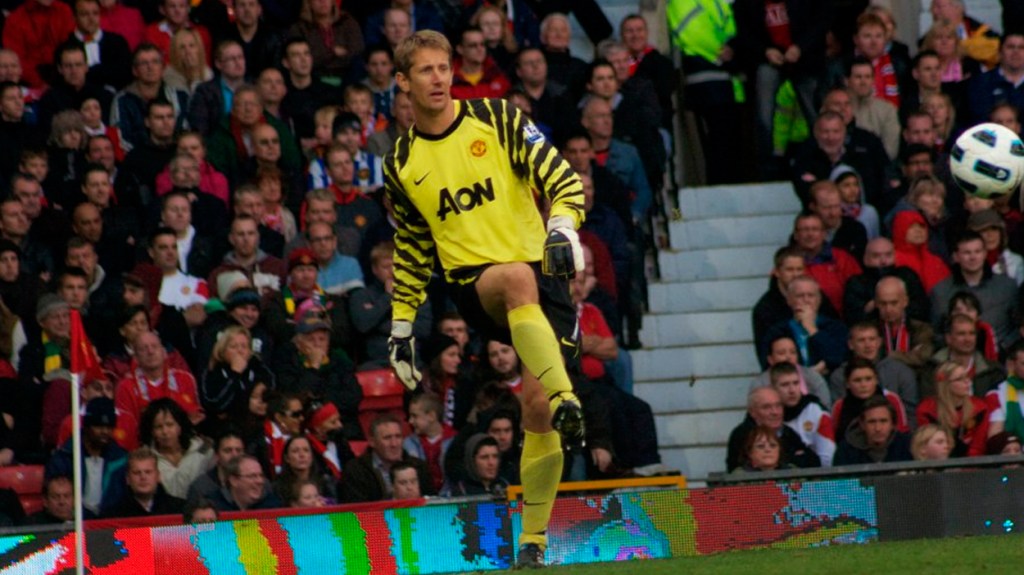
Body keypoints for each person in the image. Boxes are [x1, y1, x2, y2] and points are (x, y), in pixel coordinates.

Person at [383, 30, 584, 568]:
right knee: (515, 279)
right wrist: (401, 325)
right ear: (402, 82)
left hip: (543, 275)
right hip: (476, 282)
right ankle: (567, 396)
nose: (438, 79)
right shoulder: (400, 162)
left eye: (443, 67)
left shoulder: (497, 118)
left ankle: (533, 542)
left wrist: (563, 227)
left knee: (536, 410)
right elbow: (412, 247)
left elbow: (562, 177)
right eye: (424, 70)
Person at [45, 397, 127, 518]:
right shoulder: (64, 458)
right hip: (73, 522)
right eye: (98, 426)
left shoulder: (120, 458)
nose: (105, 431)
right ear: (87, 426)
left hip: (111, 523)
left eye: (109, 427)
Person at [339, 414, 433, 503]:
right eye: (387, 438)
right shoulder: (356, 471)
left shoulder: (419, 466)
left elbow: (432, 503)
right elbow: (356, 509)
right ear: (372, 442)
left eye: (398, 436)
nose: (394, 444)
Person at [724, 386, 820, 472]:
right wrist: (792, 458)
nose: (775, 412)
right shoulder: (742, 435)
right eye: (766, 407)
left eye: (778, 406)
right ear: (752, 412)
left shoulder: (788, 432)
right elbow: (736, 469)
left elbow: (813, 462)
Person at [138, 397, 212, 499]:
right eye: (158, 427)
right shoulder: (146, 459)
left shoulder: (203, 450)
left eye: (170, 425)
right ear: (152, 432)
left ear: (179, 426)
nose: (165, 432)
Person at [917, 361, 988, 458]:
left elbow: (978, 447)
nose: (967, 382)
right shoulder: (927, 410)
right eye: (960, 379)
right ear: (946, 384)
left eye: (967, 376)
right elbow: (927, 446)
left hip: (971, 463)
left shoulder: (980, 408)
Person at [770, 362, 835, 466]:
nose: (792, 390)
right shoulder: (764, 412)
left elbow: (828, 459)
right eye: (785, 385)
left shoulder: (817, 412)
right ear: (773, 388)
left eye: (796, 383)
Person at [104, 446, 186, 517]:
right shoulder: (113, 515)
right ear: (128, 479)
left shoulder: (180, 509)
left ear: (158, 476)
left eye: (148, 472)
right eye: (137, 473)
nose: (143, 477)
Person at [833, 396, 913, 465]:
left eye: (883, 421)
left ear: (893, 424)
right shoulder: (845, 450)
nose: (878, 428)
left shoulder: (908, 446)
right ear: (862, 424)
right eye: (871, 422)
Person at [209, 454, 284, 511]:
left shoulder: (274, 506)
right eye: (252, 476)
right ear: (233, 480)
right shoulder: (213, 507)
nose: (260, 481)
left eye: (261, 475)